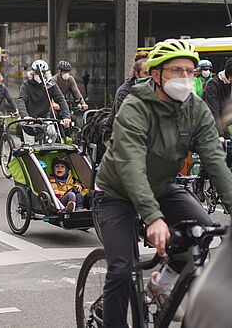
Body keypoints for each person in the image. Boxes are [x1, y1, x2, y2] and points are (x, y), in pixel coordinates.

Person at [95, 39, 232, 327]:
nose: (185, 78)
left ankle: (161, 284)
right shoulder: (134, 106)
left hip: (161, 186)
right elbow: (130, 165)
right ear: (156, 75)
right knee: (121, 271)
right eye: (176, 71)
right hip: (116, 191)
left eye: (189, 72)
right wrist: (153, 217)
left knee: (203, 232)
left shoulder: (195, 109)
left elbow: (215, 162)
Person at [102, 51, 150, 142]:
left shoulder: (156, 89)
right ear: (137, 74)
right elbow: (123, 121)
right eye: (146, 73)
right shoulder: (124, 91)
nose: (150, 77)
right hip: (116, 135)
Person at [16, 60, 71, 127]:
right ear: (32, 73)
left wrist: (66, 117)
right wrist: (25, 116)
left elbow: (61, 100)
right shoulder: (26, 85)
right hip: (30, 119)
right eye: (37, 73)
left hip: (45, 119)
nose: (40, 75)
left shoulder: (50, 84)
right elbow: (21, 100)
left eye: (43, 73)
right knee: (26, 133)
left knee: (52, 133)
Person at [203, 58, 232, 141]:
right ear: (229, 77)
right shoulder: (213, 86)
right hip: (216, 127)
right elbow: (214, 111)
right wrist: (220, 134)